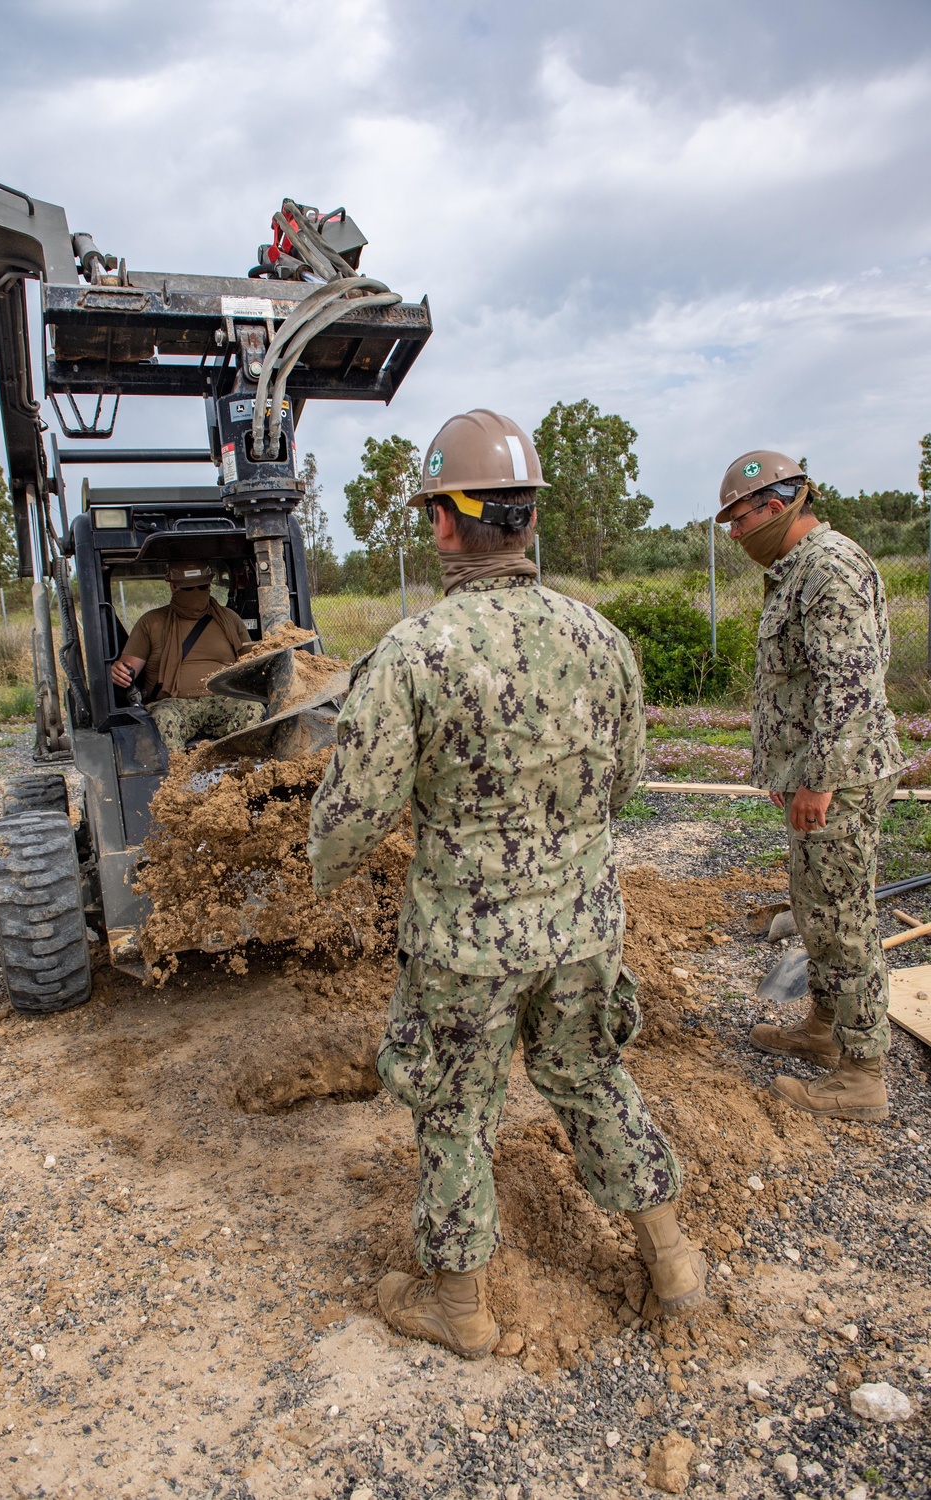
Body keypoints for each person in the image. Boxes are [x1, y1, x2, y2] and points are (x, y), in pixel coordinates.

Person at [308, 409, 705, 1360]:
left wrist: (319, 873)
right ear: (529, 519)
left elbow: (351, 819)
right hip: (582, 928)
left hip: (465, 947)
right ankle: (675, 1263)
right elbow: (625, 782)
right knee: (590, 1074)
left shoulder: (414, 653)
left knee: (454, 1109)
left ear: (445, 523)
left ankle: (461, 1312)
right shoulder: (604, 640)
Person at [717, 452, 908, 1121]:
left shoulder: (829, 567)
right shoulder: (797, 570)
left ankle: (862, 1076)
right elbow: (802, 681)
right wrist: (790, 769)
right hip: (821, 771)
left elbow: (848, 686)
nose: (734, 535)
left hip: (841, 777)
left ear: (776, 506)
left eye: (739, 520)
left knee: (843, 918)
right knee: (818, 909)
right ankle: (825, 1029)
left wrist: (819, 781)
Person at [111, 562, 267, 752]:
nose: (196, 593)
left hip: (222, 700)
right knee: (163, 719)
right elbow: (128, 670)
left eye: (202, 587)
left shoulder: (229, 619)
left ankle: (248, 774)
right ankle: (176, 777)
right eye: (188, 588)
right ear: (173, 586)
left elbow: (249, 665)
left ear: (210, 586)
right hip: (173, 704)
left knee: (253, 709)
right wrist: (119, 672)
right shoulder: (151, 622)